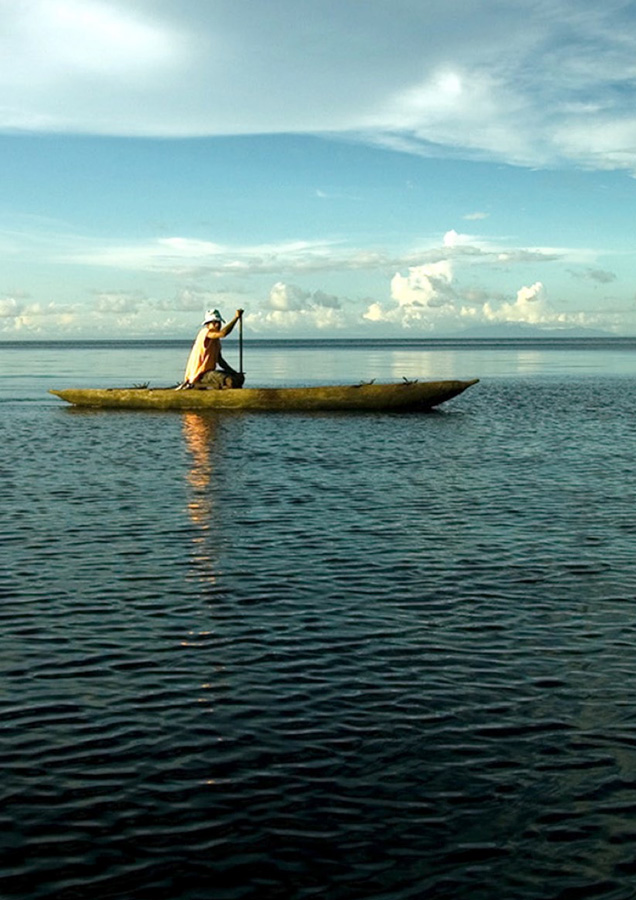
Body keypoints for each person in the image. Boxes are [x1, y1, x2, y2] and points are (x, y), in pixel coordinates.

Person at [177, 308, 243, 389]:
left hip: (209, 374)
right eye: (214, 323)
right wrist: (236, 318)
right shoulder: (204, 333)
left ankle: (218, 386)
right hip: (200, 376)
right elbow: (223, 333)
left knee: (238, 379)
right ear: (208, 324)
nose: (217, 325)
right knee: (230, 381)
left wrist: (234, 372)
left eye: (218, 322)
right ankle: (195, 385)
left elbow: (220, 361)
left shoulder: (216, 341)